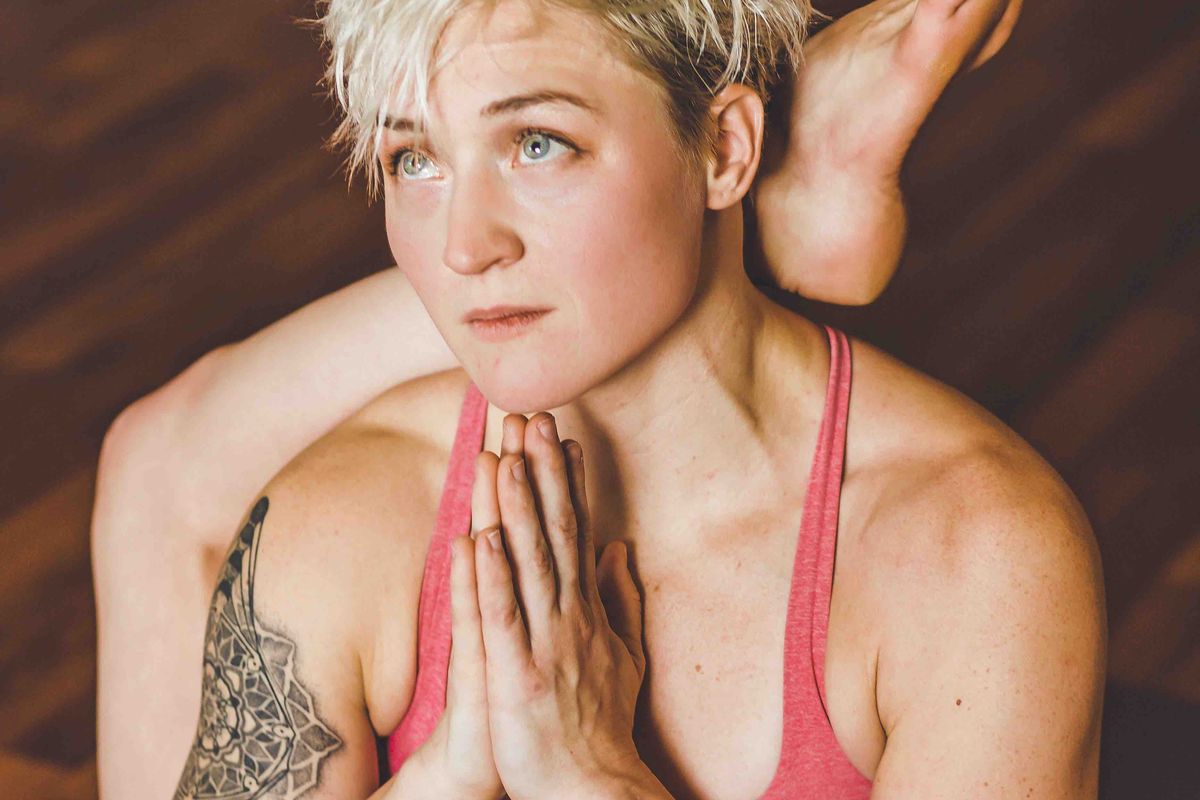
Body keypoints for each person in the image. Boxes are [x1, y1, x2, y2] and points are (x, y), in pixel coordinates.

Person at [86, 0, 1090, 797]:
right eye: (413, 160)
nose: (463, 247)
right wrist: (449, 776)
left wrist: (589, 775)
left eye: (538, 144)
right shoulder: (335, 525)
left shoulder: (974, 554)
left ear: (724, 148)